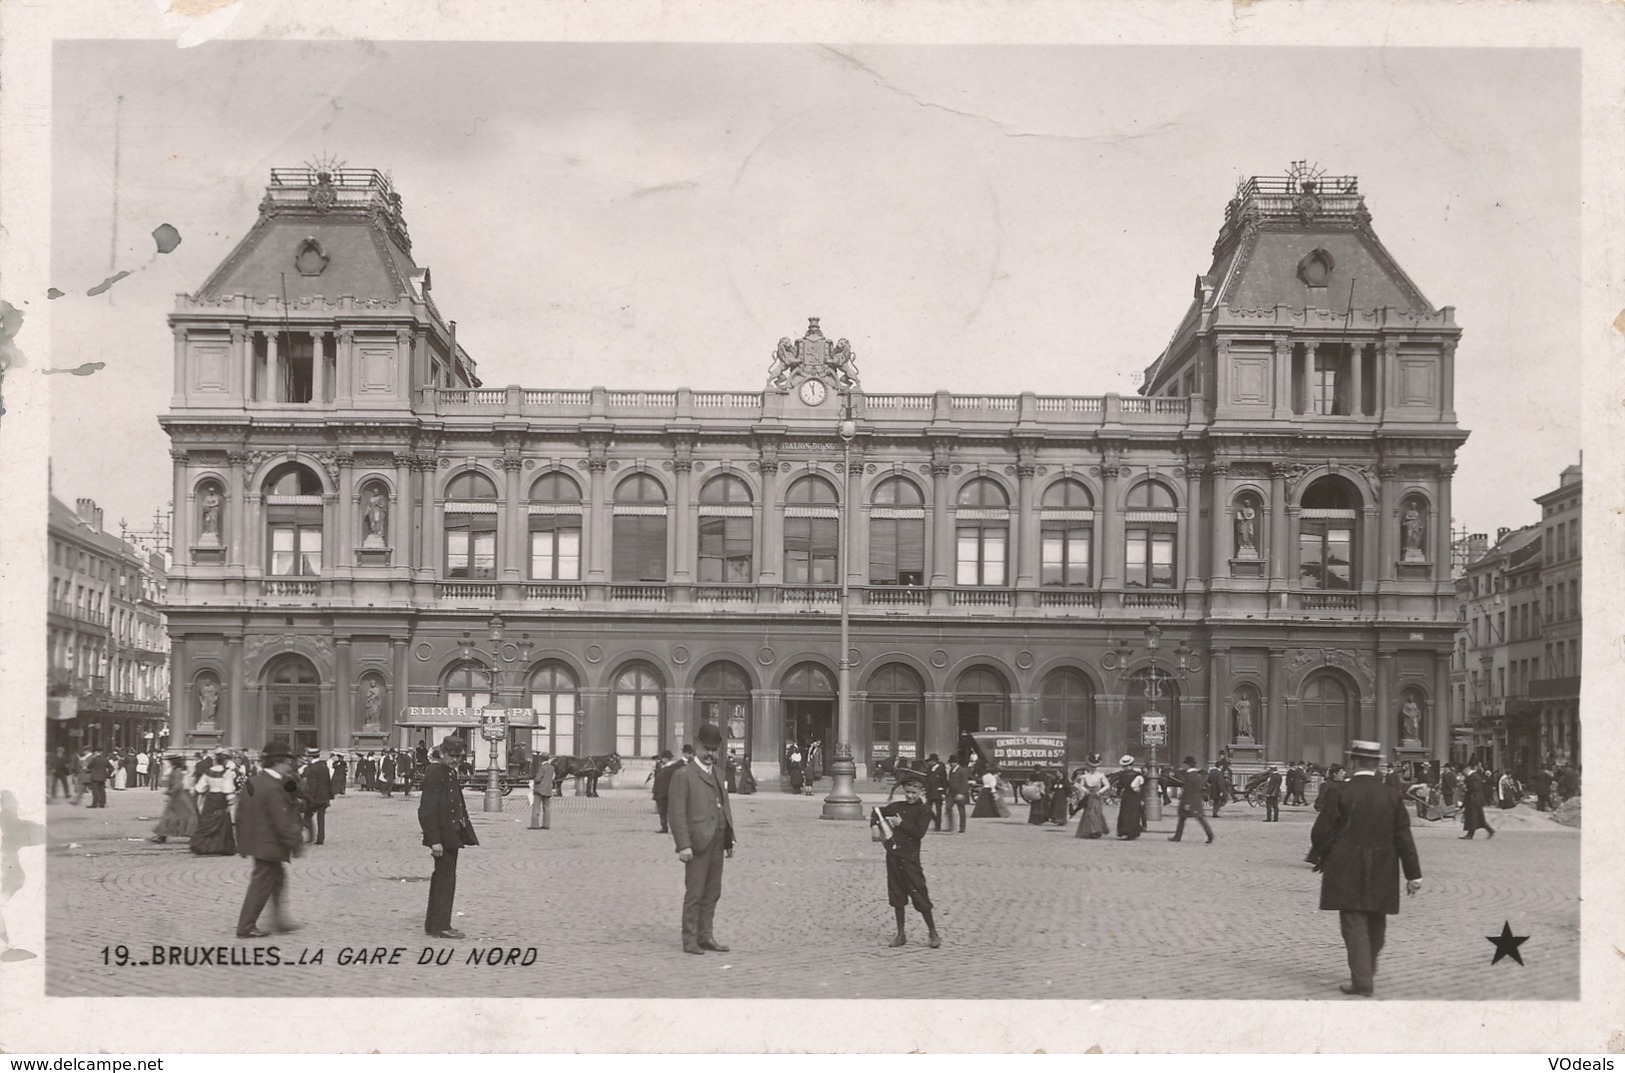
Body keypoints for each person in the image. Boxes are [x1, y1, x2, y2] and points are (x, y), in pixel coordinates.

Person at [1308, 739, 1423, 997]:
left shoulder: (1341, 792)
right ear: (1377, 764)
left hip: (1346, 867)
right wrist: (1414, 875)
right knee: (1376, 921)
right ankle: (1366, 969)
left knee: (1353, 922)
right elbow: (1404, 837)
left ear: (1354, 762)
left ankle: (1362, 980)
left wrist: (1329, 855)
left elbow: (1320, 832)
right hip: (1383, 867)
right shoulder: (1391, 795)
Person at [667, 724, 735, 955]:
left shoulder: (718, 773)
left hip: (717, 840)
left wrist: (729, 839)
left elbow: (724, 806)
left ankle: (706, 936)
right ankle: (690, 939)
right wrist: (683, 844)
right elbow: (676, 813)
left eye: (715, 750)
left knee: (713, 892)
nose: (711, 754)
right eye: (707, 749)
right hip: (697, 843)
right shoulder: (683, 775)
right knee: (695, 892)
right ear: (697, 746)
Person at [233, 740, 305, 938]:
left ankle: (279, 920)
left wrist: (242, 841)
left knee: (277, 879)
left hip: (256, 843)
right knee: (261, 884)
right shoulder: (274, 788)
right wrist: (295, 843)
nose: (289, 766)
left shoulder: (253, 781)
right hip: (269, 845)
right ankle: (246, 926)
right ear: (279, 763)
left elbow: (239, 814)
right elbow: (280, 821)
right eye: (287, 762)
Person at [871, 771, 941, 948]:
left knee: (919, 894)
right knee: (897, 895)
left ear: (921, 793)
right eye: (908, 792)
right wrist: (874, 827)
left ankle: (932, 932)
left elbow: (919, 832)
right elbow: (876, 812)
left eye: (914, 793)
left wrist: (900, 823)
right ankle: (900, 933)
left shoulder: (924, 810)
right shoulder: (896, 806)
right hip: (893, 857)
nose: (910, 796)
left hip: (910, 859)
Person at [418, 736, 476, 939]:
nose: (455, 760)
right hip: (442, 838)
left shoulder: (447, 772)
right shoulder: (436, 773)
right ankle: (441, 925)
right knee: (445, 880)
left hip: (450, 836)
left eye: (458, 757)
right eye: (451, 756)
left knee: (443, 878)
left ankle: (434, 923)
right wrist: (434, 840)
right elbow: (427, 810)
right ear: (441, 753)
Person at [190, 752, 238, 855]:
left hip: (210, 798)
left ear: (215, 761)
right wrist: (230, 801)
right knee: (223, 821)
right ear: (224, 761)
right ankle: (222, 846)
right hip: (221, 798)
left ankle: (203, 846)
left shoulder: (208, 772)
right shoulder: (227, 773)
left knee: (208, 820)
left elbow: (200, 787)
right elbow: (227, 787)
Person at [148, 755, 198, 843]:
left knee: (172, 816)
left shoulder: (176, 771)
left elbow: (178, 785)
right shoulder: (177, 770)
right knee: (177, 816)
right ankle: (162, 835)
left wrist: (171, 791)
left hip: (178, 797)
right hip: (179, 796)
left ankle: (163, 835)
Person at [1170, 757, 1214, 843]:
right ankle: (1177, 836)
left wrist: (1187, 803)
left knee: (1195, 818)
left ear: (1188, 765)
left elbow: (1188, 790)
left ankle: (1210, 835)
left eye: (1185, 764)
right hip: (1196, 800)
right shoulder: (1198, 775)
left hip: (1189, 800)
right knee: (1189, 818)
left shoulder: (1189, 776)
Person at [300, 750, 333, 845]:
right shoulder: (324, 766)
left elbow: (312, 785)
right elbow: (328, 782)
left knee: (307, 816)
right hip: (324, 796)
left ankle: (309, 836)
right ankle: (320, 838)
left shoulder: (312, 769)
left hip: (314, 797)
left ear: (310, 757)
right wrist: (330, 795)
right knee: (321, 819)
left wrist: (309, 797)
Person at [1073, 755, 1111, 839]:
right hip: (1089, 795)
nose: (1093, 768)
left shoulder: (1100, 775)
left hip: (1096, 795)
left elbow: (1107, 785)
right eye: (1091, 767)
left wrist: (1100, 792)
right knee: (1088, 813)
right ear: (1088, 766)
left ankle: (1096, 830)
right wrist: (1085, 790)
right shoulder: (1085, 776)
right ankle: (1088, 831)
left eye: (1095, 767)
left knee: (1095, 812)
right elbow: (1080, 785)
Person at [1460, 760, 1495, 839]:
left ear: (1466, 769)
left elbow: (1475, 788)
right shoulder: (1472, 776)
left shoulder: (1473, 777)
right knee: (1477, 817)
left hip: (1474, 799)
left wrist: (1466, 789)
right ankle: (1489, 830)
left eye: (1463, 771)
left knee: (1473, 816)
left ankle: (1470, 834)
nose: (1463, 773)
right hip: (1474, 799)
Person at [1113, 756, 1145, 840]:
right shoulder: (1122, 775)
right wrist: (1117, 795)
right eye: (1124, 766)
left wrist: (1142, 798)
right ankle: (1125, 832)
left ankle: (1132, 833)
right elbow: (1119, 786)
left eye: (1127, 765)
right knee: (1125, 814)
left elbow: (1142, 786)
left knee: (1134, 814)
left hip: (1134, 795)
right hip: (1126, 796)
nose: (1126, 767)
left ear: (1131, 765)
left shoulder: (1137, 774)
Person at [651, 750, 677, 833]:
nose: (662, 760)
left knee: (669, 811)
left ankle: (671, 827)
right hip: (660, 792)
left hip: (667, 793)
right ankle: (664, 826)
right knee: (662, 811)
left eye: (663, 758)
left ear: (666, 759)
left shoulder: (672, 768)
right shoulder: (661, 767)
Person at [944, 754, 970, 833]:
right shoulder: (952, 771)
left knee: (961, 810)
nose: (950, 764)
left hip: (959, 792)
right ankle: (951, 825)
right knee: (948, 807)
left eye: (951, 763)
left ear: (955, 763)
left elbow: (964, 783)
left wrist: (961, 793)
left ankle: (962, 827)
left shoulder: (962, 770)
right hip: (952, 793)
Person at [529, 752, 554, 830]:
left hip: (539, 790)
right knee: (546, 807)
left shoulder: (542, 768)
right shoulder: (552, 768)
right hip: (547, 789)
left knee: (536, 807)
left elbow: (538, 779)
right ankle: (546, 824)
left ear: (541, 759)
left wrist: (535, 778)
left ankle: (535, 824)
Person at [924, 754, 948, 832]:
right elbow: (927, 781)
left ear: (934, 762)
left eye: (930, 761)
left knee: (938, 810)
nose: (928, 763)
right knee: (927, 809)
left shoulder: (941, 769)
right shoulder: (929, 770)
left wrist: (943, 792)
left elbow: (944, 781)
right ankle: (929, 823)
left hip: (938, 792)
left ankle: (938, 826)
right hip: (930, 793)